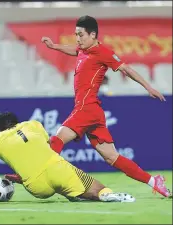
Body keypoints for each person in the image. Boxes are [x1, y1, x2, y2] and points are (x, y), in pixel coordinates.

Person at [40, 15, 171, 198]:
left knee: (57, 139)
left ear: (92, 34)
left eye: (80, 35)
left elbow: (127, 69)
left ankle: (33, 175)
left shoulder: (103, 52)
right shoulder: (84, 49)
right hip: (92, 112)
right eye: (76, 35)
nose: (78, 39)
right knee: (112, 157)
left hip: (87, 107)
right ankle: (154, 181)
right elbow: (75, 50)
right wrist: (54, 46)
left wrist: (148, 87)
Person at [0, 112, 135, 203]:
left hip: (36, 187)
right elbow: (46, 148)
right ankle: (103, 195)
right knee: (96, 188)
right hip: (56, 168)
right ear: (16, 121)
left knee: (64, 190)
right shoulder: (33, 124)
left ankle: (73, 194)